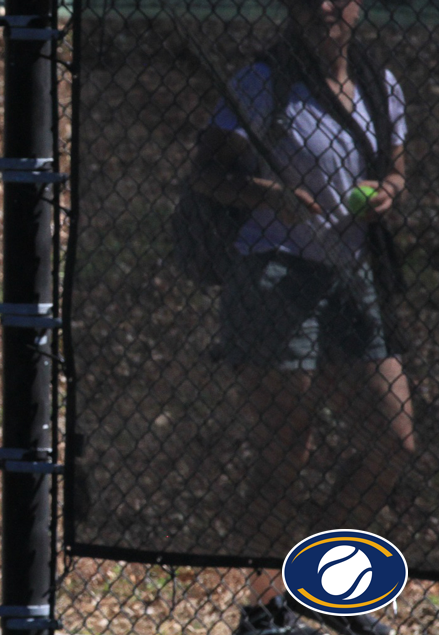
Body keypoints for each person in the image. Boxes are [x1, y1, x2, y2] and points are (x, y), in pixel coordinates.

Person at [191, 1, 414, 634]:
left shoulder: (379, 81)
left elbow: (394, 167)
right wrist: (274, 198)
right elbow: (207, 170)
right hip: (272, 273)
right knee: (288, 442)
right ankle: (264, 610)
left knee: (392, 440)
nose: (324, 7)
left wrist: (390, 191)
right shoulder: (264, 81)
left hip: (350, 276)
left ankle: (323, 590)